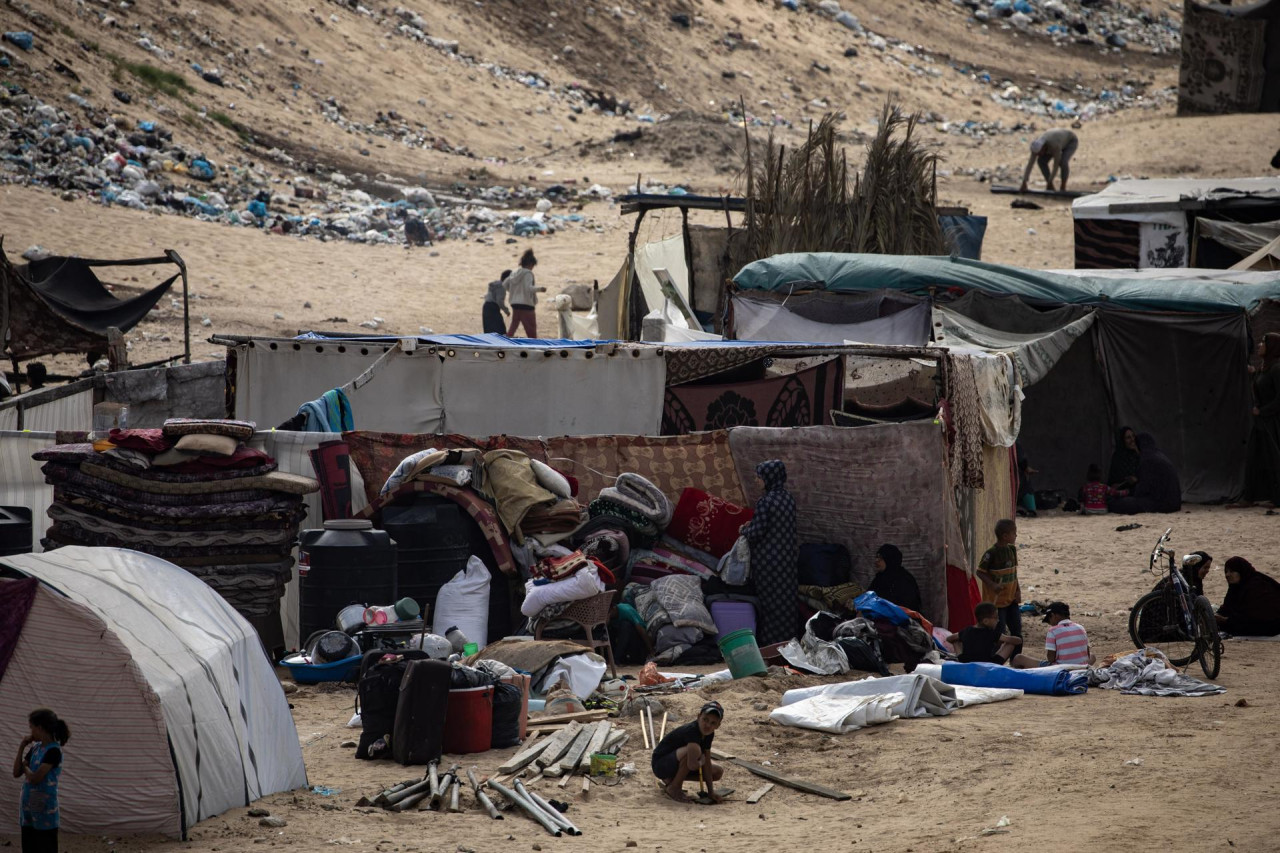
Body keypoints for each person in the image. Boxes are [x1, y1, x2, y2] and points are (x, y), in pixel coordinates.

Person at [740, 460, 798, 646]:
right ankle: (787, 644)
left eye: (760, 477)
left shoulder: (766, 501)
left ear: (769, 478)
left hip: (768, 564)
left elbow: (756, 533)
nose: (757, 481)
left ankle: (770, 646)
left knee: (770, 606)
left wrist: (744, 529)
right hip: (787, 562)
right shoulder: (788, 499)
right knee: (785, 604)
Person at [12, 708, 70, 853]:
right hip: (29, 810)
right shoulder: (36, 748)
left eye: (31, 728)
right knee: (30, 847)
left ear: (40, 728)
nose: (30, 732)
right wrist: (22, 746)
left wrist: (25, 767)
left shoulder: (53, 751)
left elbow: (35, 778)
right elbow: (16, 772)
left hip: (45, 812)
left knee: (45, 847)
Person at [1235, 333, 1280, 508]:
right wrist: (1253, 374)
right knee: (1255, 458)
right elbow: (1263, 388)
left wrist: (1261, 411)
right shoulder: (1266, 368)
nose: (1260, 345)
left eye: (1264, 342)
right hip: (1262, 422)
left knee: (1273, 460)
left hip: (1272, 423)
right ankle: (1251, 496)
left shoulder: (1277, 369)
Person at [652, 701, 725, 803]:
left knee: (717, 772)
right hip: (661, 764)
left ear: (718, 725)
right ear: (698, 717)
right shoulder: (692, 731)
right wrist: (701, 762)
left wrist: (711, 792)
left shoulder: (709, 734)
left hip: (676, 763)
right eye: (705, 720)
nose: (708, 725)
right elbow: (692, 765)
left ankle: (672, 780)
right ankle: (674, 787)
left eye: (713, 723)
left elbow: (707, 763)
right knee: (695, 751)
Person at [1107, 433, 1181, 514]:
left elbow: (1142, 491)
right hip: (1173, 502)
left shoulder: (1147, 460)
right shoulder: (1158, 455)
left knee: (1121, 503)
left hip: (1163, 504)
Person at [977, 519, 1022, 646]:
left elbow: (1014, 573)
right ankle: (996, 658)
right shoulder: (991, 553)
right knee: (999, 632)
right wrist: (993, 585)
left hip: (1011, 599)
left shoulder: (1012, 550)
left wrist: (1017, 591)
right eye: (1014, 533)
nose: (1016, 536)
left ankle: (1015, 660)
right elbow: (980, 572)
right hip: (997, 602)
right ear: (1005, 536)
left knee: (1017, 630)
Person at [948, 602, 1036, 666]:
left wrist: (964, 641)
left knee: (956, 641)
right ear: (986, 621)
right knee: (1010, 644)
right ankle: (1011, 664)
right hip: (987, 664)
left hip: (965, 662)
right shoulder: (992, 633)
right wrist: (1003, 640)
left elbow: (949, 638)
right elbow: (1018, 641)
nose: (998, 620)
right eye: (996, 618)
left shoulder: (966, 630)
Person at [1216, 556, 1280, 637]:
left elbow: (1256, 616)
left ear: (1241, 571)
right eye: (1226, 571)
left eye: (1232, 571)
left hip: (1270, 624)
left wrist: (1226, 620)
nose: (1227, 575)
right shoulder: (1235, 587)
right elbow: (1227, 607)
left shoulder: (1257, 586)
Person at [867, 543, 922, 612]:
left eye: (881, 558)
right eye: (876, 557)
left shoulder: (904, 580)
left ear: (889, 559)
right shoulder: (879, 578)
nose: (876, 560)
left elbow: (908, 607)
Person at [505, 249, 546, 338]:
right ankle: (534, 347)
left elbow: (504, 284)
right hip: (526, 304)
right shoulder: (528, 273)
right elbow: (529, 288)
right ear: (531, 264)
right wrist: (541, 289)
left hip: (515, 303)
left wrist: (513, 292)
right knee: (531, 330)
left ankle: (505, 343)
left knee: (513, 327)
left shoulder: (514, 273)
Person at [1041, 601, 1094, 666]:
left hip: (1063, 669)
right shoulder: (1081, 628)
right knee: (1092, 656)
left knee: (1043, 664)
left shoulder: (1053, 631)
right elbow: (1087, 654)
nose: (1050, 623)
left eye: (1049, 620)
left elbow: (1051, 658)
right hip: (1082, 667)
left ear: (1053, 615)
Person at [1108, 426, 1141, 493]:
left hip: (1139, 490)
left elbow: (1147, 473)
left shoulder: (1140, 454)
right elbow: (1113, 480)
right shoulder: (1117, 456)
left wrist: (1138, 452)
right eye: (1128, 438)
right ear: (1123, 441)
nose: (1132, 439)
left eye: (1133, 436)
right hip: (1122, 492)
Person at [483, 270, 512, 334]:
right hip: (493, 308)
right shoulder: (501, 287)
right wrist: (506, 311)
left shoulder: (495, 284)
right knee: (499, 329)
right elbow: (499, 301)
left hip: (486, 306)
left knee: (489, 328)